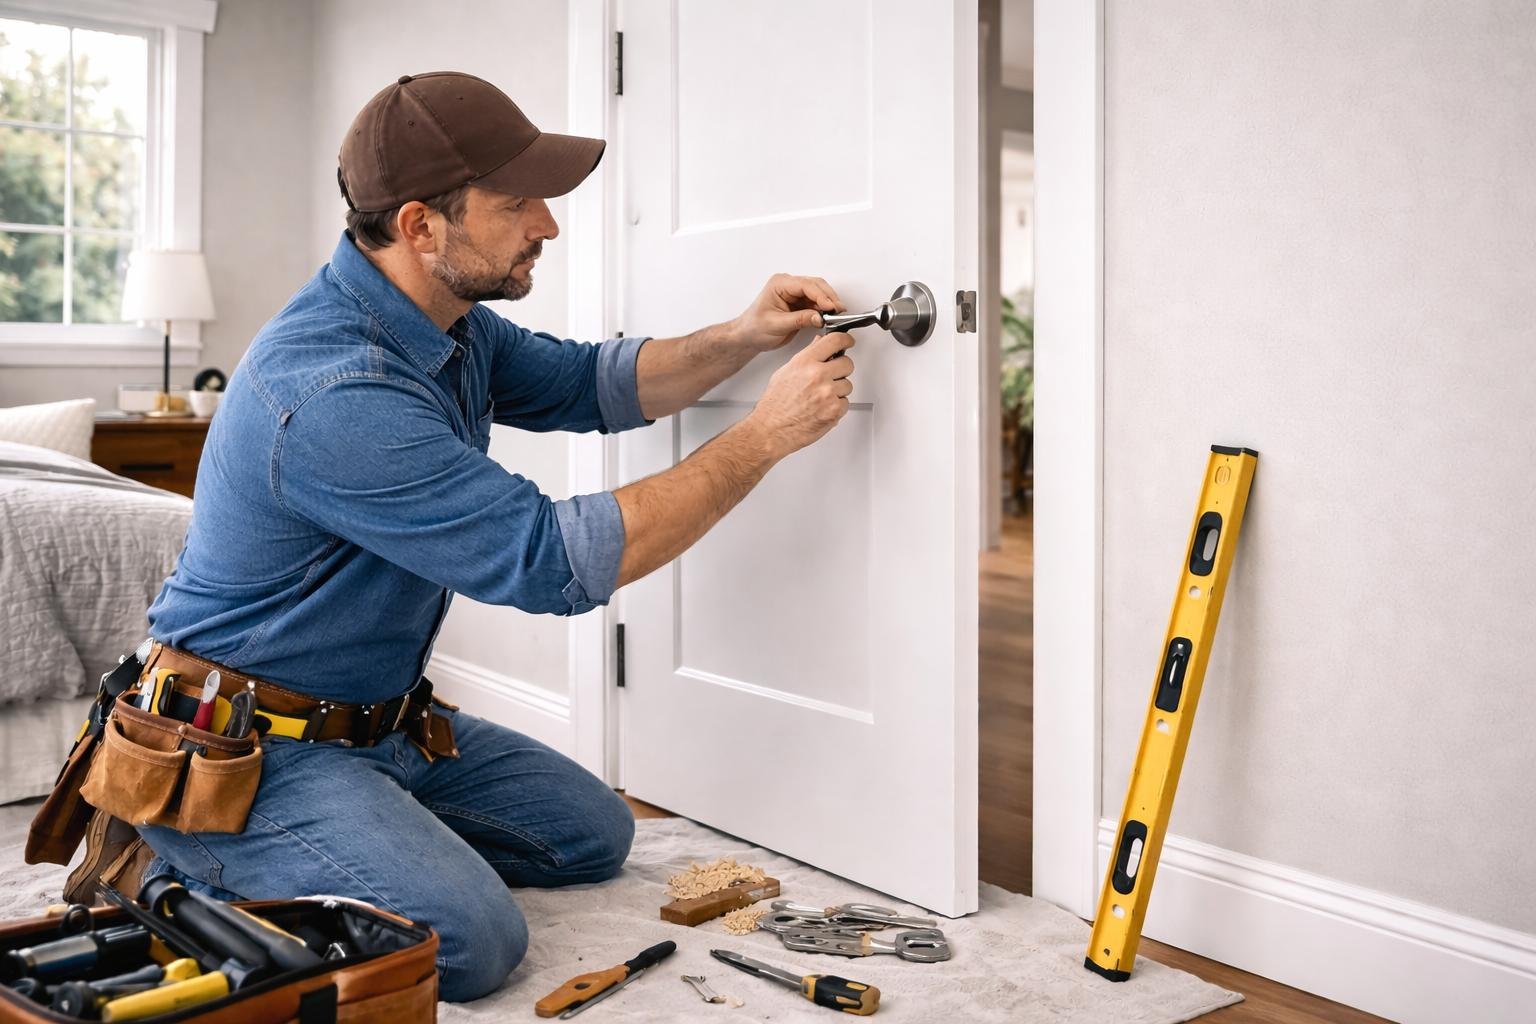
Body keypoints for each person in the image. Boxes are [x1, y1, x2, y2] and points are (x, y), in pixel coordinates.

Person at [132, 71, 856, 1002]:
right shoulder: (331, 391)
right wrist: (765, 437)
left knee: (594, 834)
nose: (546, 224)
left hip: (379, 724)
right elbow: (551, 562)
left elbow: (597, 384)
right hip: (247, 749)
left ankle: (363, 827)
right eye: (515, 203)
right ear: (420, 227)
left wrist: (747, 337)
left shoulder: (448, 324)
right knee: (472, 943)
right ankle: (180, 862)